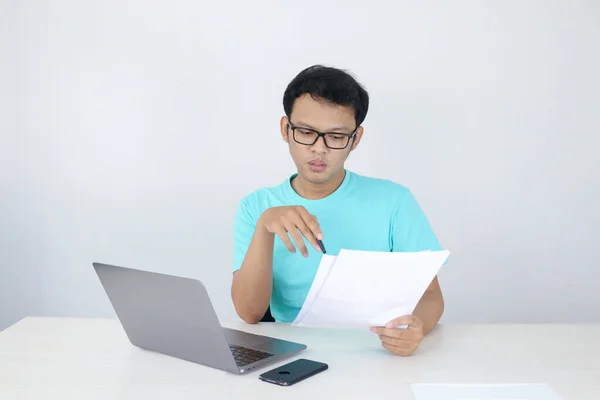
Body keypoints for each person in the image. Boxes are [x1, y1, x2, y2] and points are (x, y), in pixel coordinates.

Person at [231, 65, 446, 356]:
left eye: (335, 136)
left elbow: (431, 294)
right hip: (291, 353)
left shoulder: (394, 201)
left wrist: (416, 326)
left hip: (375, 350)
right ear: (286, 129)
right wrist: (264, 227)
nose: (319, 149)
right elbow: (249, 313)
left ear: (355, 139)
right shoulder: (256, 206)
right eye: (306, 132)